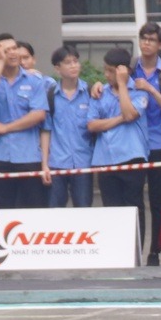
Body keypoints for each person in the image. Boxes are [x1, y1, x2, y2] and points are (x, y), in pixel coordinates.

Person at [129, 24, 161, 262]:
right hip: (134, 144)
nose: (146, 43)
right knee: (134, 199)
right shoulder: (129, 68)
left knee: (157, 200)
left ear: (160, 45)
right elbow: (111, 89)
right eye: (143, 38)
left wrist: (150, 89)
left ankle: (154, 250)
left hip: (159, 142)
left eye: (152, 40)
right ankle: (134, 249)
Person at [0, 40, 51, 209]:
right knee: (5, 209)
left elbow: (39, 114)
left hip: (28, 155)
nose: (12, 53)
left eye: (14, 48)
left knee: (33, 208)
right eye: (6, 50)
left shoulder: (34, 81)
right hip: (0, 155)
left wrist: (6, 127)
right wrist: (0, 63)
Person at [90, 48, 151, 212]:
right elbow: (92, 125)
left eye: (111, 71)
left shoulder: (139, 91)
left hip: (132, 157)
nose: (106, 75)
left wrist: (123, 84)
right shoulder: (99, 92)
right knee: (111, 209)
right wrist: (120, 119)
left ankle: (136, 239)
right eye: (105, 69)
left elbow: (130, 115)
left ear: (124, 71)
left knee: (134, 207)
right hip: (105, 159)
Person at [44, 45, 100, 209]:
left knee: (83, 209)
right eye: (68, 62)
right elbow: (46, 130)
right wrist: (45, 164)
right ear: (57, 68)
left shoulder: (90, 92)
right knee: (55, 211)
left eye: (76, 61)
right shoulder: (50, 95)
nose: (73, 66)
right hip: (57, 163)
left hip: (83, 162)